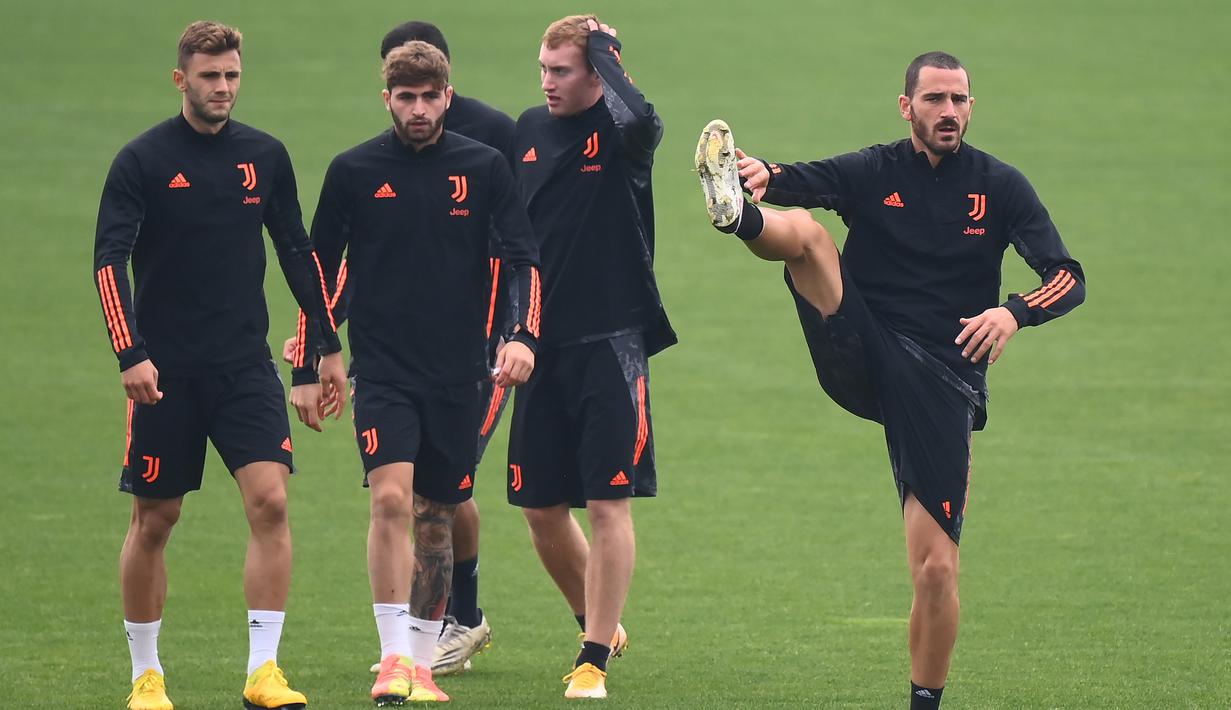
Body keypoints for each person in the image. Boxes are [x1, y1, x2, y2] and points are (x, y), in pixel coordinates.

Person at [694, 51, 1085, 709]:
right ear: (907, 107)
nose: (948, 111)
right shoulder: (875, 170)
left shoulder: (1000, 186)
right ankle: (736, 216)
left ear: (971, 107)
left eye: (959, 100)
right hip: (864, 344)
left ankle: (924, 702)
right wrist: (758, 175)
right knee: (809, 237)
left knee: (935, 571)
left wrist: (1013, 312)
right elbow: (799, 179)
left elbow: (1068, 276)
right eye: (934, 99)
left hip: (942, 379)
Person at [93, 20, 346, 710]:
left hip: (244, 368)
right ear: (182, 80)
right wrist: (131, 352)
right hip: (164, 375)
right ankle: (146, 675)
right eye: (210, 76)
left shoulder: (264, 155)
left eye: (232, 74)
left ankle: (263, 671)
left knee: (271, 501)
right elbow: (109, 261)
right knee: (156, 519)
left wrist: (324, 346)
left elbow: (297, 251)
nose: (224, 87)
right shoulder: (142, 160)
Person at [290, 41, 541, 705]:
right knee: (390, 500)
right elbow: (318, 270)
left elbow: (523, 258)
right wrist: (314, 357)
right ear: (388, 100)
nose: (419, 109)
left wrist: (522, 335)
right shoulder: (354, 170)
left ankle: (422, 666)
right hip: (384, 372)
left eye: (431, 97)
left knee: (436, 517)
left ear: (447, 96)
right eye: (406, 98)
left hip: (461, 376)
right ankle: (392, 657)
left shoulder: (484, 167)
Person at [508, 14, 675, 699]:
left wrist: (605, 49)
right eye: (543, 69)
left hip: (611, 343)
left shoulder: (621, 135)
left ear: (597, 73)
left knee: (608, 504)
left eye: (563, 70)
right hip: (537, 346)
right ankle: (598, 620)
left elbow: (643, 115)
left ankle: (593, 656)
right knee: (539, 508)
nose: (547, 82)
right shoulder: (527, 130)